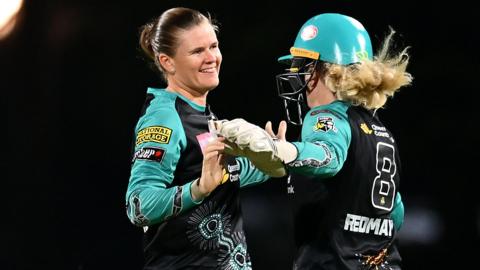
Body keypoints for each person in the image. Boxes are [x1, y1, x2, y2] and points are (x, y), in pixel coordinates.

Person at [214, 13, 412, 269]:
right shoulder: (379, 130)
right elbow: (395, 213)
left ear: (330, 71)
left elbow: (327, 157)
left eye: (305, 66)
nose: (298, 76)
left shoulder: (325, 116)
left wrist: (281, 149)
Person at [125, 7, 270, 269]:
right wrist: (198, 189)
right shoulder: (164, 118)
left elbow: (224, 178)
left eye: (213, 46)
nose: (211, 58)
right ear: (167, 62)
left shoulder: (202, 115)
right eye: (197, 51)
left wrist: (274, 155)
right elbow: (138, 205)